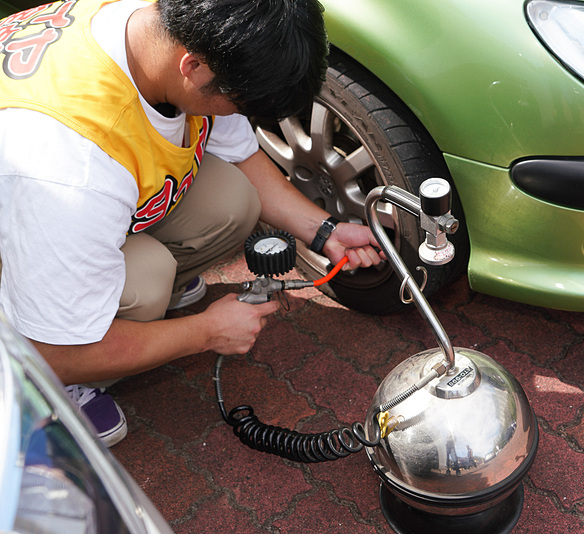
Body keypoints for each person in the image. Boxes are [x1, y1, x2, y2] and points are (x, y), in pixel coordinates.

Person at [0, 0, 382, 446]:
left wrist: (326, 231)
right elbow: (56, 352)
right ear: (194, 68)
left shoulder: (161, 28)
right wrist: (205, 333)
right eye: (236, 104)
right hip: (38, 236)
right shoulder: (73, 165)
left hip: (65, 212)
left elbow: (242, 157)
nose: (236, 116)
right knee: (145, 283)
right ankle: (40, 388)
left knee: (232, 200)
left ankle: (122, 301)